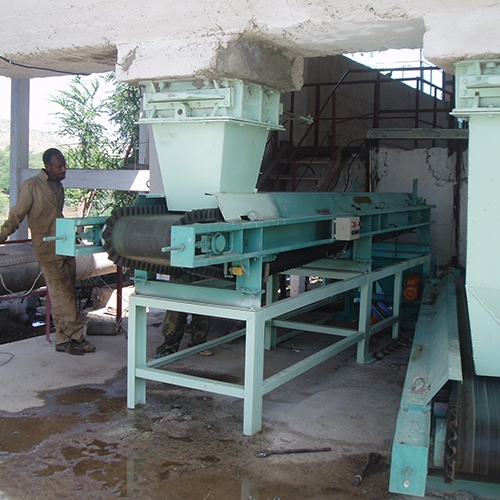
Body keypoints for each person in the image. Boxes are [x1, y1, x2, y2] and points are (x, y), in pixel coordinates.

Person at [0, 148, 96, 356]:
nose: (64, 169)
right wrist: (2, 235)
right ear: (48, 166)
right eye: (59, 166)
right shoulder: (32, 186)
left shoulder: (58, 187)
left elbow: (57, 215)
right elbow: (16, 215)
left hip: (64, 245)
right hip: (47, 249)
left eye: (64, 165)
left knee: (67, 292)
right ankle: (76, 338)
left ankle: (63, 340)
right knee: (64, 295)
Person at [155, 273, 212, 358]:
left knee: (203, 308)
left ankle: (198, 343)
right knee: (175, 313)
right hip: (181, 272)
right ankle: (168, 347)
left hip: (206, 271)